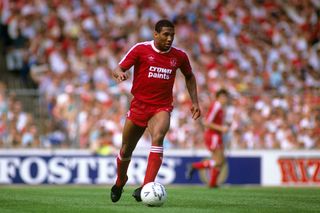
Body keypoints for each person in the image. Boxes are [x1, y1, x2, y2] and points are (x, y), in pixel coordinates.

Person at [110, 19, 201, 202]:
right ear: (156, 34)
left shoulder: (180, 56)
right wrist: (120, 74)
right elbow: (118, 67)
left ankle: (146, 187)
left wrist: (195, 102)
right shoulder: (140, 49)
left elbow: (190, 77)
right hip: (139, 106)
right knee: (126, 149)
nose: (169, 39)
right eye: (166, 34)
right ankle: (121, 180)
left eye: (172, 35)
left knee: (158, 137)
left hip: (161, 107)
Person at [186, 89, 229, 188]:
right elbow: (206, 122)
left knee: (221, 161)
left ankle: (213, 183)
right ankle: (194, 166)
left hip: (217, 135)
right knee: (218, 161)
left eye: (226, 97)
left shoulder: (220, 107)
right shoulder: (216, 105)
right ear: (218, 97)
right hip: (213, 135)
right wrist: (221, 128)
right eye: (223, 96)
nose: (225, 99)